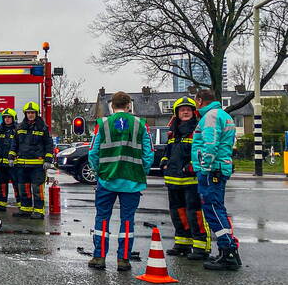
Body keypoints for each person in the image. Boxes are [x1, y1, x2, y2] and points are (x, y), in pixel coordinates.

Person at [86, 91, 154, 271]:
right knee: (127, 221)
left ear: (111, 105)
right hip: (132, 181)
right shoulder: (141, 125)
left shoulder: (103, 124)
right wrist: (142, 172)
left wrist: (98, 172)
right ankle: (123, 259)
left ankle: (99, 257)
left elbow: (93, 153)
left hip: (107, 179)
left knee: (102, 219)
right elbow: (149, 154)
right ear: (129, 106)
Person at [192, 88, 241, 271]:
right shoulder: (223, 115)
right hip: (220, 167)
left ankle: (227, 250)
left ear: (199, 100)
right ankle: (228, 250)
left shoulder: (210, 117)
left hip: (212, 170)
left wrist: (205, 168)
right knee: (218, 208)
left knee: (212, 209)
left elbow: (210, 144)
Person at [159, 97, 208, 259]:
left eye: (188, 109)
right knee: (177, 212)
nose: (185, 112)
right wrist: (164, 163)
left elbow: (203, 149)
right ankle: (182, 244)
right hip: (173, 179)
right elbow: (168, 151)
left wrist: (193, 165)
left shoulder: (198, 129)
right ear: (177, 113)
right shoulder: (173, 131)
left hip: (192, 180)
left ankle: (200, 246)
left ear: (193, 112)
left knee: (194, 213)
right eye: (181, 110)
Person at [14, 101, 54, 219]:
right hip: (22, 164)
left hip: (37, 165)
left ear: (36, 113)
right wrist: (11, 156)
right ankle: (26, 210)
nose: (30, 115)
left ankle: (38, 211)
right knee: (23, 188)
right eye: (28, 113)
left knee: (37, 189)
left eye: (32, 113)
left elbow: (48, 144)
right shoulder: (20, 127)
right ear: (25, 114)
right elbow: (14, 144)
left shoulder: (43, 127)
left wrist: (48, 160)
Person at [0, 108, 20, 211]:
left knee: (17, 184)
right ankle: (1, 204)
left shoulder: (18, 129)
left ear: (13, 118)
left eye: (9, 117)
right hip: (2, 163)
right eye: (5, 117)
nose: (7, 119)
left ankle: (21, 205)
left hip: (14, 164)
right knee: (1, 183)